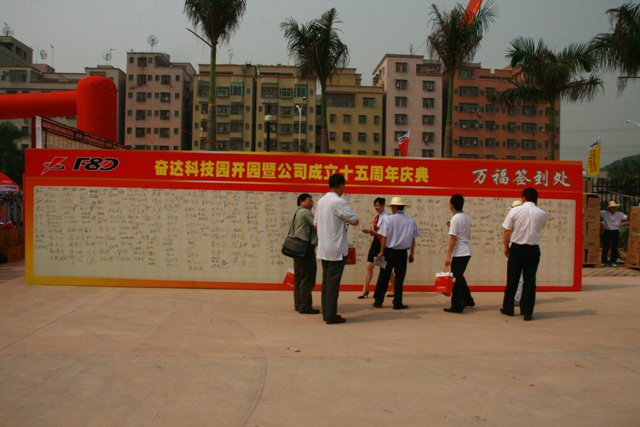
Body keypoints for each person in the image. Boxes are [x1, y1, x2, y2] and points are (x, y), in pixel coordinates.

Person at [314, 174, 359, 324]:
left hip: (324, 248)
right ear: (341, 185)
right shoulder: (339, 201)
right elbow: (355, 221)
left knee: (327, 283)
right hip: (336, 248)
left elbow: (315, 224)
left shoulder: (321, 201)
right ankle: (330, 316)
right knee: (333, 284)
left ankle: (327, 313)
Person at [501, 187, 547, 321]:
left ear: (524, 198)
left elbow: (507, 230)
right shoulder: (542, 213)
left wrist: (506, 246)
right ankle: (527, 312)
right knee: (530, 282)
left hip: (517, 249)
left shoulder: (515, 211)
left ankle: (508, 308)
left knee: (512, 280)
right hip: (533, 250)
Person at [372, 197, 419, 310]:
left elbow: (384, 237)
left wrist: (381, 252)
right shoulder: (410, 221)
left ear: (395, 207)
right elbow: (413, 239)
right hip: (402, 253)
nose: (391, 208)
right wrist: (412, 254)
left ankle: (378, 301)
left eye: (392, 206)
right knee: (399, 278)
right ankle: (398, 302)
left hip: (389, 252)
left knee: (384, 276)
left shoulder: (388, 219)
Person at [443, 194, 475, 313]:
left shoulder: (455, 218)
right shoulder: (466, 217)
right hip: (466, 250)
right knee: (459, 276)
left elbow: (453, 238)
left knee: (456, 279)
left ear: (452, 205)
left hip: (459, 252)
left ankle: (457, 305)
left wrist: (448, 255)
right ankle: (468, 300)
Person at [289, 193, 319, 314]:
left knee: (299, 277)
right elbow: (316, 225)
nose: (311, 203)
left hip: (296, 248)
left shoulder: (296, 213)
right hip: (306, 249)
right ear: (302, 202)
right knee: (307, 278)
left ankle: (298, 304)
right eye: (309, 201)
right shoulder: (306, 212)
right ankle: (305, 306)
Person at [359, 197, 395, 299]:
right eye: (375, 205)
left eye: (378, 205)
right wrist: (371, 232)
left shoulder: (386, 218)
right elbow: (377, 233)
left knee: (386, 267)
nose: (376, 207)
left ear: (383, 206)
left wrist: (372, 231)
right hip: (376, 242)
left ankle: (394, 289)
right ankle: (365, 290)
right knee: (369, 266)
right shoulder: (377, 217)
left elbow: (384, 234)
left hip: (383, 243)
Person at [600, 201, 629, 267]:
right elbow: (596, 211)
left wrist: (630, 211)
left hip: (615, 231)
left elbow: (627, 218)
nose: (614, 209)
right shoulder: (605, 213)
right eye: (612, 207)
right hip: (607, 231)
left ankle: (613, 261)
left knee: (614, 247)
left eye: (615, 207)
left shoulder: (619, 214)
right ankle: (604, 261)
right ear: (610, 208)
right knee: (606, 247)